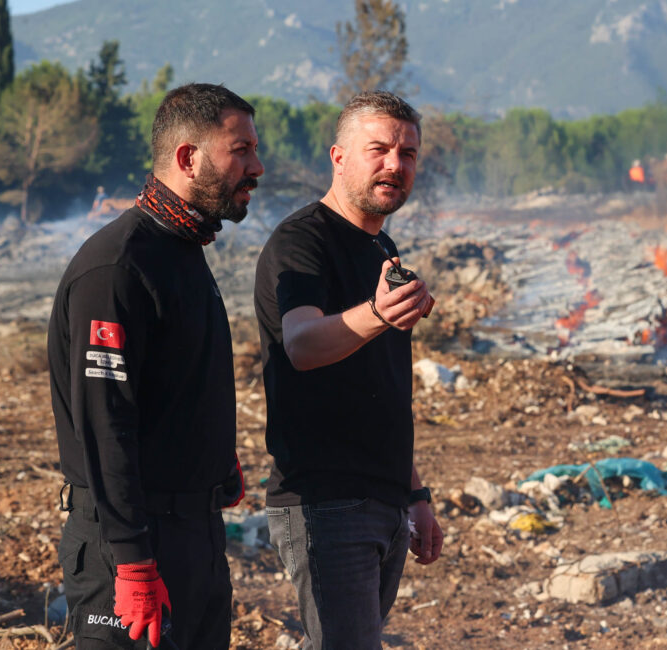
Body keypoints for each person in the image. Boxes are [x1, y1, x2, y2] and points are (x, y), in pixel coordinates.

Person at [48, 83, 263, 649]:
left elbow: (174, 383)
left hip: (196, 535)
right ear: (188, 158)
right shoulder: (117, 267)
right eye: (240, 150)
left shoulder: (184, 253)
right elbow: (104, 426)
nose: (256, 167)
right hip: (131, 545)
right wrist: (134, 563)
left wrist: (217, 460)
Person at [254, 90, 443, 649]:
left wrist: (415, 494)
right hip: (325, 501)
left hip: (383, 500)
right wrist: (379, 313)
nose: (395, 164)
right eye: (379, 149)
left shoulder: (383, 247)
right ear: (338, 157)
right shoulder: (301, 242)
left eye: (407, 154)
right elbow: (303, 344)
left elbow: (381, 390)